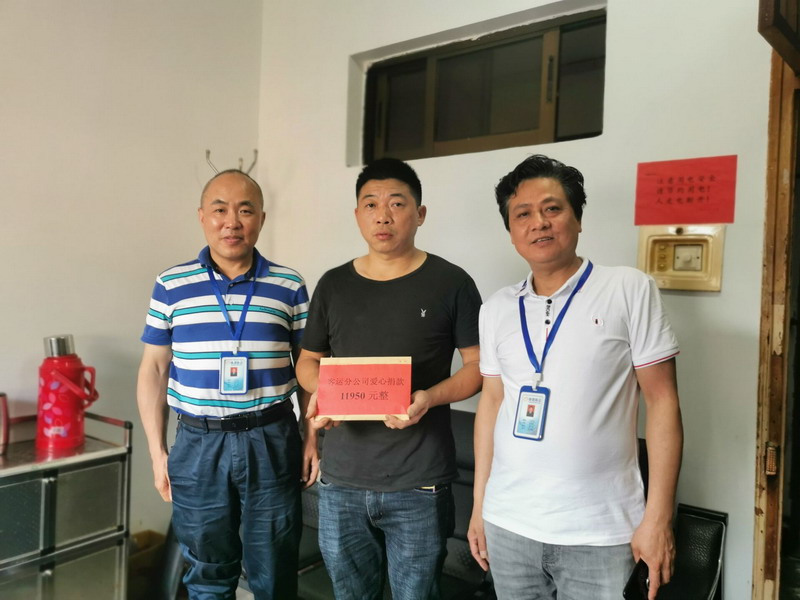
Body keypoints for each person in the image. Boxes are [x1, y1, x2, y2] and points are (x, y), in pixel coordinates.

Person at [467, 155, 683, 600]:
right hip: (507, 523)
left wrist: (658, 519)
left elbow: (662, 402)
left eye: (552, 208)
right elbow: (492, 402)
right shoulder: (496, 309)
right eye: (522, 214)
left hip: (600, 532)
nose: (539, 223)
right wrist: (479, 507)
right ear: (511, 232)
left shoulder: (627, 289)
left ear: (578, 219)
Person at [296, 158, 483, 600]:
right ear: (357, 214)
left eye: (397, 203)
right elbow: (307, 362)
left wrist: (428, 397)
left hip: (419, 482)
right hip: (341, 481)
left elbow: (478, 369)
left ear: (420, 214)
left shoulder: (452, 283)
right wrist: (325, 392)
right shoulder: (333, 285)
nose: (383, 215)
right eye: (371, 204)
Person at [136, 169, 318, 599]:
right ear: (202, 216)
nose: (232, 222)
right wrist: (157, 452)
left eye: (245, 210)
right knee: (206, 573)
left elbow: (310, 367)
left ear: (262, 218)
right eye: (220, 210)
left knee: (275, 572)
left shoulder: (289, 285)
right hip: (198, 443)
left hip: (271, 439)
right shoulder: (171, 285)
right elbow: (154, 369)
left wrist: (312, 437)